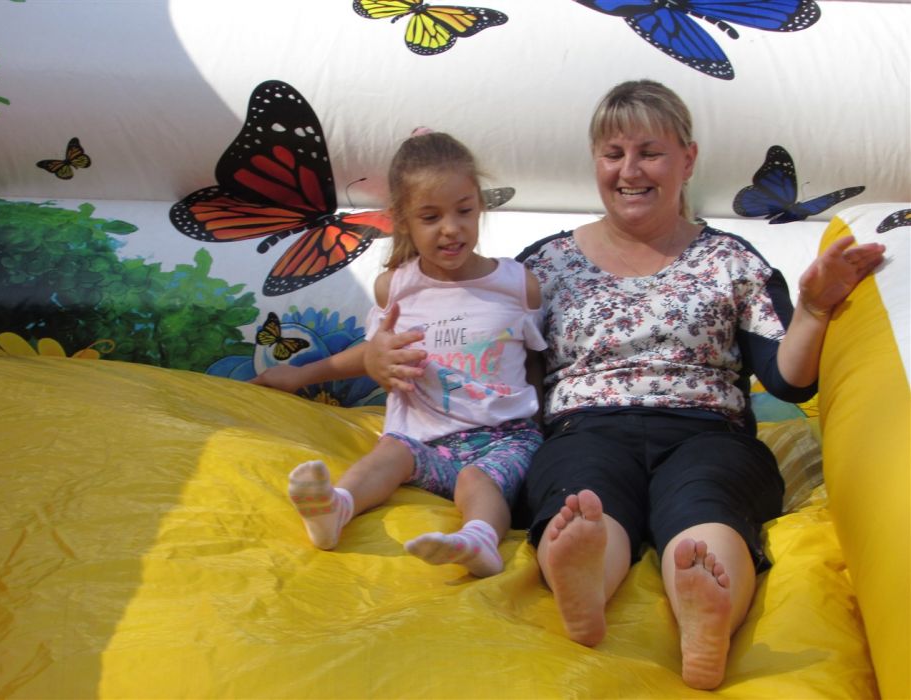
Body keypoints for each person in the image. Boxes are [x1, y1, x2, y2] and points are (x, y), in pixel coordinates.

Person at [254, 82, 886, 688]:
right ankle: (583, 582)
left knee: (705, 500)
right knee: (583, 500)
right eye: (613, 153)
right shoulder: (543, 266)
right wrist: (373, 361)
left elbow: (788, 380)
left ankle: (707, 609)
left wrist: (815, 310)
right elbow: (469, 340)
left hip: (706, 429)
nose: (629, 170)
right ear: (595, 161)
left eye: (650, 152)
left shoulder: (732, 260)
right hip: (586, 428)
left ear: (688, 160)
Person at [253, 130, 546, 578]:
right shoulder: (396, 288)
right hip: (425, 442)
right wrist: (298, 375)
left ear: (479, 206)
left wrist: (544, 423)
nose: (451, 228)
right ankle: (337, 507)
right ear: (403, 221)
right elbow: (374, 354)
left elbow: (537, 360)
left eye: (464, 210)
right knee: (389, 451)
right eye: (430, 216)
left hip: (504, 438)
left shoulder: (516, 284)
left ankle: (480, 539)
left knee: (477, 479)